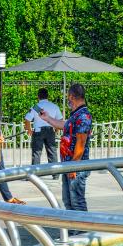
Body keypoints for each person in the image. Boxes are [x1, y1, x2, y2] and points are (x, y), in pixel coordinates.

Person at [60, 83, 94, 215]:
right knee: (68, 201)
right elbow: (65, 126)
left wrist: (74, 166)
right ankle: (73, 226)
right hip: (68, 164)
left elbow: (81, 142)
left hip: (76, 166)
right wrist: (47, 118)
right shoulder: (76, 114)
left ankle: (83, 227)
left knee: (77, 202)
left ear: (71, 96)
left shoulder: (83, 115)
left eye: (68, 97)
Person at [24, 88, 63, 165]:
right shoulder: (54, 106)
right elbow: (60, 119)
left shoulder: (36, 107)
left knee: (36, 153)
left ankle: (35, 171)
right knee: (52, 152)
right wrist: (56, 129)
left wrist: (29, 130)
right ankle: (54, 171)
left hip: (38, 131)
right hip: (50, 130)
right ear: (47, 96)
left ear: (38, 96)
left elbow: (27, 119)